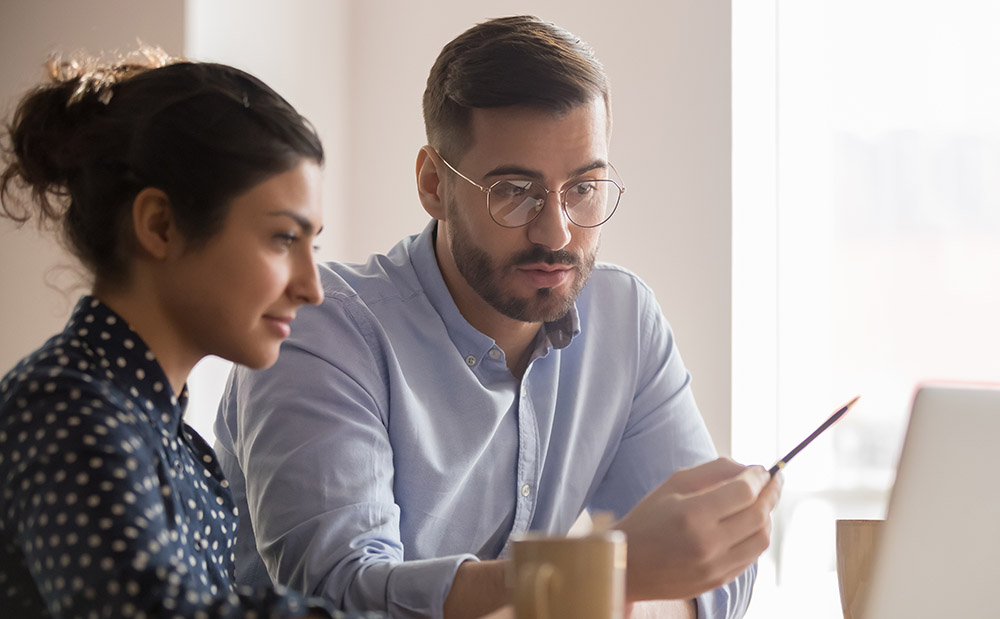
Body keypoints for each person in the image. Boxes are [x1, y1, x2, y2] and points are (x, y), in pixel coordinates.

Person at [215, 15, 781, 619]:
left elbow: (717, 579)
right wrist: (603, 579)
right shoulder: (322, 326)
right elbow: (343, 594)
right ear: (434, 184)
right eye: (515, 190)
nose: (556, 232)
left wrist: (622, 587)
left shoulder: (624, 320)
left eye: (584, 188)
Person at [0, 50, 371, 618]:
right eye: (281, 239)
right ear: (160, 226)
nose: (311, 288)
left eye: (311, 244)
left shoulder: (176, 443)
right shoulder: (64, 409)